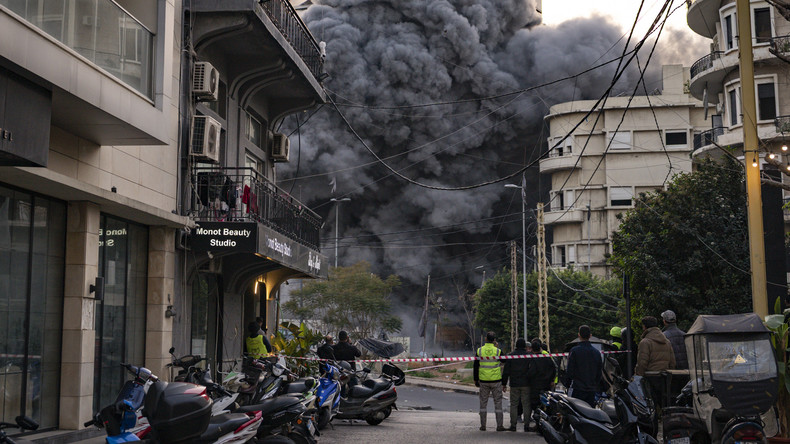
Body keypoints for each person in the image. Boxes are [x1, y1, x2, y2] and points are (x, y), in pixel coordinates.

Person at [636, 316, 675, 409]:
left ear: (644, 327)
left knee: (651, 405)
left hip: (650, 377)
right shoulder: (667, 341)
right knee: (663, 403)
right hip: (664, 377)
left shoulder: (645, 342)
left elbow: (642, 363)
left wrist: (638, 376)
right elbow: (672, 362)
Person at [474, 331, 506, 432]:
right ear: (494, 340)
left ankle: (483, 425)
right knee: (498, 403)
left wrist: (476, 379)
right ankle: (499, 426)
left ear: (485, 339)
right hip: (496, 380)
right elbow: (504, 360)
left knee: (483, 404)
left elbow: (476, 365)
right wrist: (496, 347)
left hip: (483, 380)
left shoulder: (479, 351)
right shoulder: (497, 351)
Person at [564, 325, 602, 407]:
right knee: (589, 411)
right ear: (590, 336)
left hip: (577, 389)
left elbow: (570, 370)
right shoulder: (596, 352)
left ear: (579, 335)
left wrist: (567, 384)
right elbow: (599, 372)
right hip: (591, 390)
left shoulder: (574, 351)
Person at [528, 338, 556, 432]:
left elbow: (531, 372)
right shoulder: (547, 358)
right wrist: (551, 380)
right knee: (545, 405)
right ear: (540, 348)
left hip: (536, 386)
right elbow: (554, 369)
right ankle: (545, 424)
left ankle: (538, 424)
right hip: (546, 385)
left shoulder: (533, 359)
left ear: (532, 349)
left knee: (536, 406)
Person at [502, 338, 531, 432]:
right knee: (526, 404)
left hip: (514, 383)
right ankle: (527, 425)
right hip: (526, 383)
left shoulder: (511, 356)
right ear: (525, 346)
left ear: (516, 345)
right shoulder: (529, 356)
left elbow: (506, 371)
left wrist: (504, 384)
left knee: (514, 404)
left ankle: (513, 425)